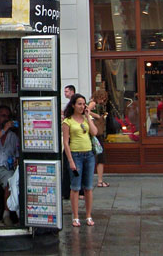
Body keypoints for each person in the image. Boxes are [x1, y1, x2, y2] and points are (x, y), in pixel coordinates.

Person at [62, 94, 97, 227]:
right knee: (75, 187)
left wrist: (88, 116)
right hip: (76, 155)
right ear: (73, 105)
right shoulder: (68, 121)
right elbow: (66, 142)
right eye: (79, 104)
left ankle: (88, 215)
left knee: (88, 187)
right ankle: (75, 216)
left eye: (83, 104)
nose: (82, 106)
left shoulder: (86, 119)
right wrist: (70, 160)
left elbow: (94, 132)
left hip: (89, 155)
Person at [88, 89, 109, 188]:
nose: (103, 101)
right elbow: (86, 111)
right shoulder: (93, 103)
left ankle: (99, 180)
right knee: (100, 156)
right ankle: (100, 181)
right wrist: (97, 116)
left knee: (98, 156)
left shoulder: (94, 103)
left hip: (95, 132)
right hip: (95, 133)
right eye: (102, 98)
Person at [61, 84, 76, 200]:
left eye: (66, 91)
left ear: (72, 92)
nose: (65, 93)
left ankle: (70, 190)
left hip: (73, 140)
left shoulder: (74, 104)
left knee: (70, 164)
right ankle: (68, 190)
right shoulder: (70, 104)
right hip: (70, 139)